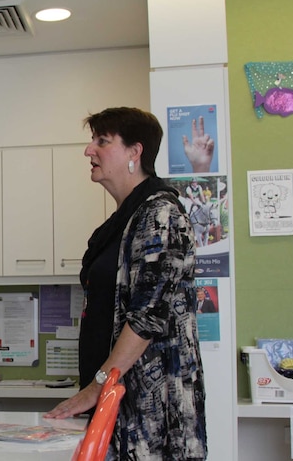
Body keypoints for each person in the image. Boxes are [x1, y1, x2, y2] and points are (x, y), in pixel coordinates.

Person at [45, 107, 207, 460]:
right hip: (118, 402)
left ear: (135, 152)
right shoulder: (125, 220)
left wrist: (95, 388)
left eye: (102, 141)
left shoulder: (160, 215)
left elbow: (146, 317)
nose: (90, 150)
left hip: (151, 412)